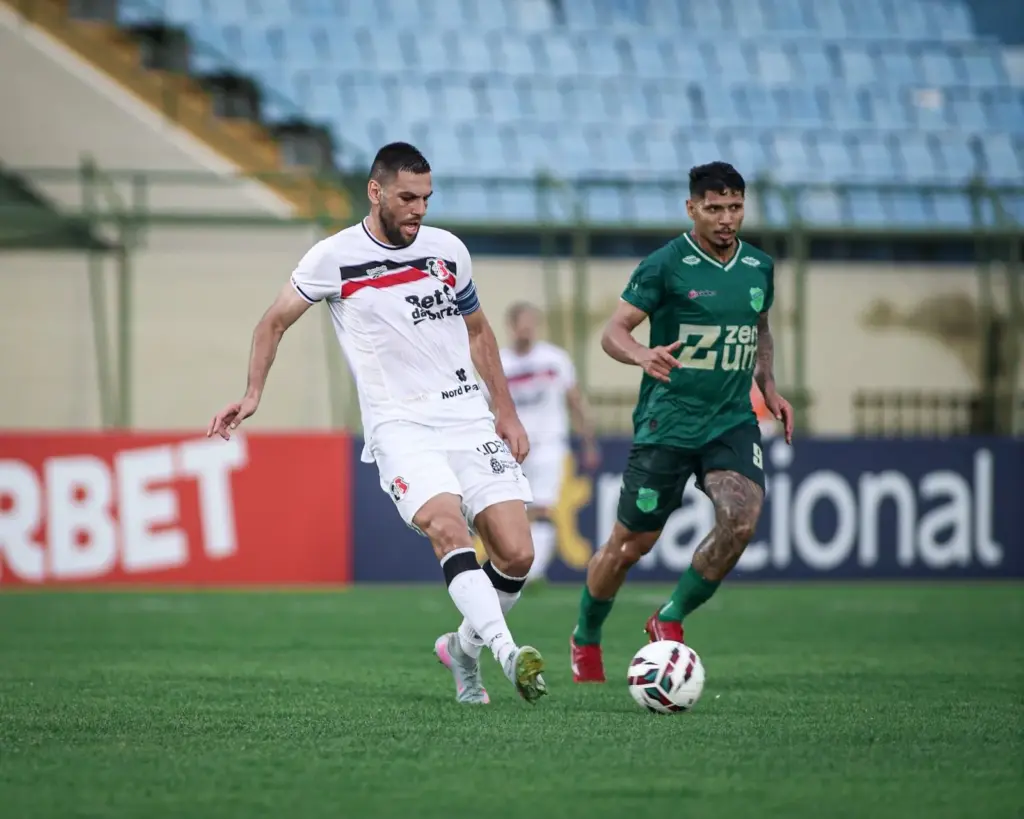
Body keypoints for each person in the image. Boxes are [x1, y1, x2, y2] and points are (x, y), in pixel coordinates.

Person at [207, 142, 547, 706]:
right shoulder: (332, 258)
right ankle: (509, 653)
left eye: (427, 199)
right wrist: (253, 392)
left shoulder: (448, 252)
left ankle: (462, 650)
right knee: (448, 528)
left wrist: (505, 410)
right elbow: (272, 323)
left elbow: (480, 331)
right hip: (401, 426)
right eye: (408, 198)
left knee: (517, 555)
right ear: (376, 190)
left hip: (468, 418)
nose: (419, 209)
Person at [570, 161, 794, 683]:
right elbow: (613, 333)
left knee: (741, 519)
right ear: (691, 208)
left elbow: (758, 328)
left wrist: (769, 385)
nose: (726, 218)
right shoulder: (666, 265)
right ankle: (585, 632)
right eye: (714, 208)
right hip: (666, 423)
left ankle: (667, 618)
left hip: (730, 421)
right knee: (629, 548)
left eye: (735, 207)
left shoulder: (759, 266)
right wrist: (642, 356)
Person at [499, 302, 599, 585]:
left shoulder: (555, 360)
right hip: (510, 448)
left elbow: (575, 400)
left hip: (548, 445)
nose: (527, 329)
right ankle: (513, 565)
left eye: (532, 322)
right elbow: (487, 406)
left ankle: (533, 573)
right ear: (511, 325)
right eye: (522, 323)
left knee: (543, 507)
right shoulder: (501, 364)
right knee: (514, 510)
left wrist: (588, 440)